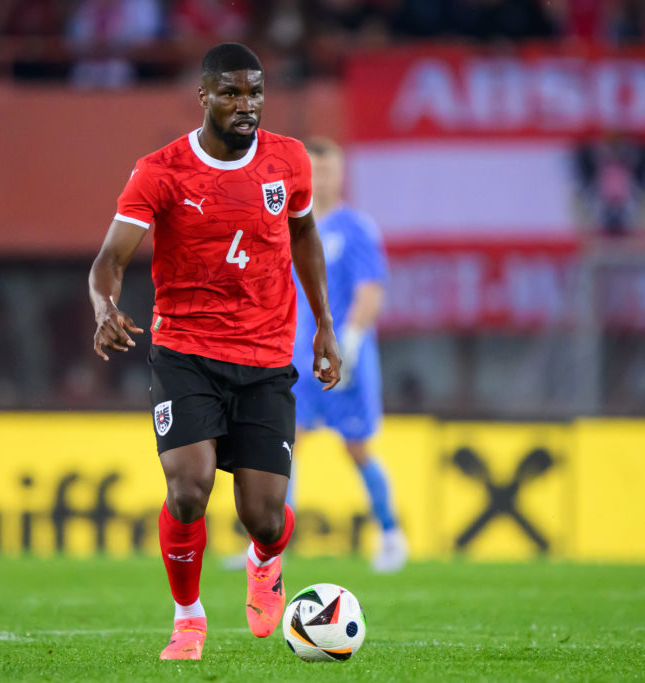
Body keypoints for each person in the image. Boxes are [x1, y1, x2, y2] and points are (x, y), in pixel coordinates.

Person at [88, 42, 341, 661]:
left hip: (264, 355)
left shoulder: (290, 160)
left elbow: (304, 232)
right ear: (203, 96)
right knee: (188, 490)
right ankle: (188, 618)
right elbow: (109, 260)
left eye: (254, 92)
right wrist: (104, 307)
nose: (245, 105)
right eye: (230, 93)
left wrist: (325, 324)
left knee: (266, 517)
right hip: (185, 350)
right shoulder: (161, 171)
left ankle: (264, 562)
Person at [291, 137, 407, 573]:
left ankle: (392, 534)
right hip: (295, 361)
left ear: (341, 175)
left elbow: (370, 291)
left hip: (344, 360)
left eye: (329, 170)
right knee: (283, 448)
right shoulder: (288, 226)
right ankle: (270, 547)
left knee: (357, 448)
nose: (321, 178)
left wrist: (353, 339)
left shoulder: (356, 228)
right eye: (314, 170)